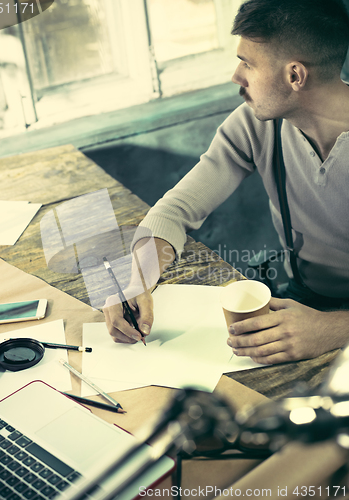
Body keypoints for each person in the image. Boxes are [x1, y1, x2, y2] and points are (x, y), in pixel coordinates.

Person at [104, 0, 349, 365]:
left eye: (248, 63)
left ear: (295, 76)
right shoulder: (257, 125)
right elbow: (175, 210)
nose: (237, 76)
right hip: (298, 301)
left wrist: (333, 330)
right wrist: (136, 280)